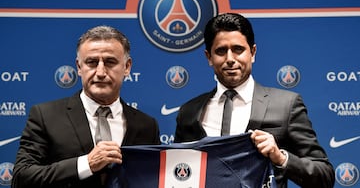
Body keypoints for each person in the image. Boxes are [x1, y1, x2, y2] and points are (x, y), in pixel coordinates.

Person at [174, 13, 335, 188]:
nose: (230, 59)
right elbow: (176, 173)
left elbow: (324, 176)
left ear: (253, 52)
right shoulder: (189, 112)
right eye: (221, 51)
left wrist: (280, 157)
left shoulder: (286, 105)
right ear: (209, 57)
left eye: (238, 49)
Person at [12, 25, 161, 188]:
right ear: (78, 67)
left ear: (127, 67)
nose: (101, 72)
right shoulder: (45, 116)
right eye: (91, 62)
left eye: (110, 62)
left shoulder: (147, 126)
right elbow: (21, 178)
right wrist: (86, 164)